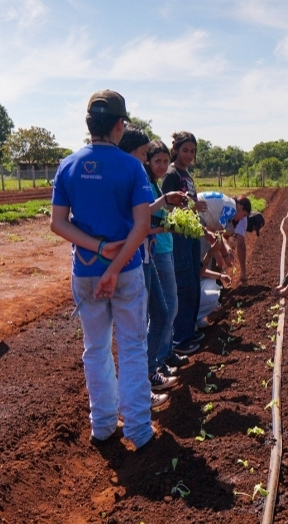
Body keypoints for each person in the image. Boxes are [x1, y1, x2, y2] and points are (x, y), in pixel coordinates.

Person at [49, 90, 155, 450]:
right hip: (125, 271)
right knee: (131, 346)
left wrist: (95, 248)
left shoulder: (68, 165)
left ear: (88, 124)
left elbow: (58, 224)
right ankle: (138, 430)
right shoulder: (130, 166)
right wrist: (115, 266)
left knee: (95, 349)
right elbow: (141, 225)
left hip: (85, 270)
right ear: (119, 125)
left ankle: (103, 426)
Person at [117, 126, 182, 396]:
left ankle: (149, 372)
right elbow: (139, 220)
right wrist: (160, 223)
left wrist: (164, 200)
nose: (147, 161)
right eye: (144, 154)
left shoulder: (137, 176)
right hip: (135, 259)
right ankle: (140, 385)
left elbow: (144, 213)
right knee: (139, 323)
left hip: (145, 255)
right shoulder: (129, 176)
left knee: (161, 312)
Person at [160, 131, 207, 355]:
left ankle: (189, 329)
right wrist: (192, 208)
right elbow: (167, 207)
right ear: (176, 150)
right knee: (184, 284)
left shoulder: (186, 174)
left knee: (193, 281)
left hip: (191, 236)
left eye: (192, 151)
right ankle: (181, 339)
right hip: (179, 237)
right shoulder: (171, 175)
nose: (189, 155)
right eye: (185, 150)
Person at [145, 140, 189, 369]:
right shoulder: (147, 185)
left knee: (170, 305)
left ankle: (166, 351)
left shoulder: (156, 184)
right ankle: (159, 359)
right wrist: (170, 223)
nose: (162, 166)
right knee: (167, 306)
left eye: (165, 161)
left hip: (166, 245)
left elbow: (160, 213)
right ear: (147, 161)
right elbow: (149, 218)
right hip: (158, 250)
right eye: (157, 161)